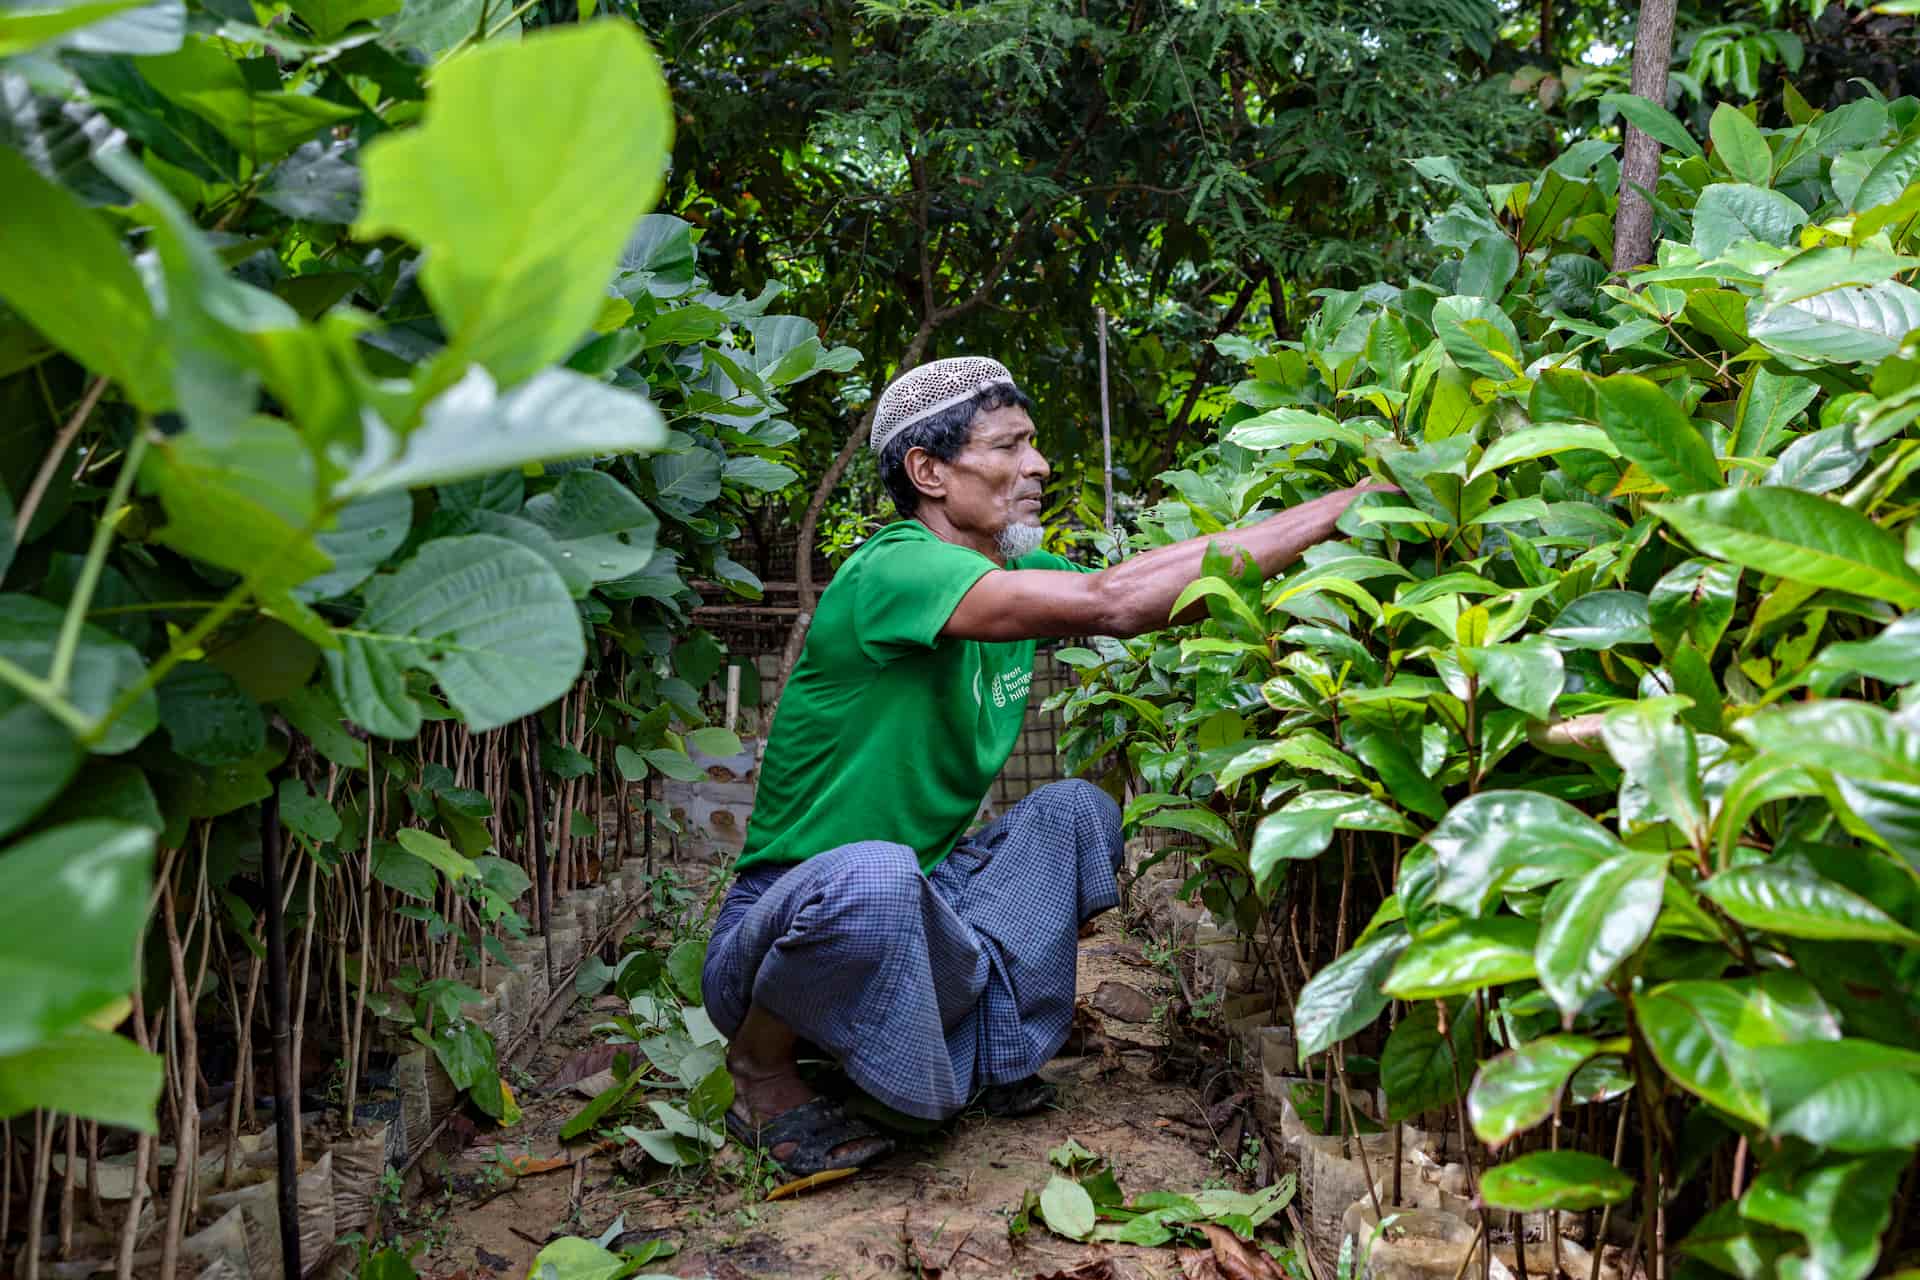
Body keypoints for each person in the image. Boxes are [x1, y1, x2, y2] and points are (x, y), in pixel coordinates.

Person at [703, 356, 1392, 1175]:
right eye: (1009, 447)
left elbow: (1142, 579)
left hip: (922, 895)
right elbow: (1115, 603)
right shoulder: (894, 568)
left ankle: (983, 1057)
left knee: (1074, 812)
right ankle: (763, 1067)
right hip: (793, 921)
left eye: (1035, 445)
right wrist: (1337, 514)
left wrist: (1336, 511)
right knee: (876, 877)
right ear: (928, 472)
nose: (1038, 467)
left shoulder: (1009, 573)